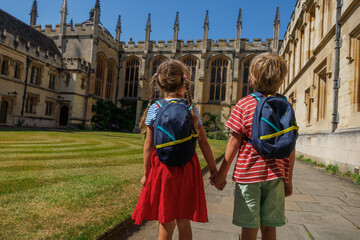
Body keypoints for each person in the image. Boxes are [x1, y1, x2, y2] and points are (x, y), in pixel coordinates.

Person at [212, 52, 295, 240]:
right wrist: (288, 179)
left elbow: (234, 141)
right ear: (282, 79)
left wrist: (222, 173)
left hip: (248, 175)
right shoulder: (285, 106)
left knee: (249, 229)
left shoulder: (244, 104)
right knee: (269, 228)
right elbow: (290, 147)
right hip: (276, 176)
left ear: (251, 78)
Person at [131, 60, 218, 240]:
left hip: (163, 168)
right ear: (184, 82)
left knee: (166, 220)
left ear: (161, 84)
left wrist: (146, 174)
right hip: (188, 168)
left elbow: (148, 145)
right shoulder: (191, 108)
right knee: (184, 220)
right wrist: (214, 170)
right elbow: (204, 143)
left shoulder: (156, 108)